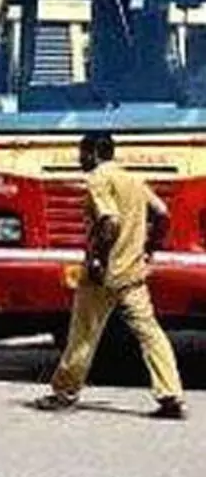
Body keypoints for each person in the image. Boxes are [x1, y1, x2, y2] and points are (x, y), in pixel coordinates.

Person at [34, 131, 187, 419]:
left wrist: (98, 261)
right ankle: (170, 394)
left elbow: (110, 221)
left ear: (92, 153)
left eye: (82, 153)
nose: (79, 159)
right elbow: (163, 214)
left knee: (83, 334)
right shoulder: (132, 180)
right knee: (150, 333)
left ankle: (65, 392)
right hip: (133, 274)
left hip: (103, 275)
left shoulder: (98, 179)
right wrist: (150, 247)